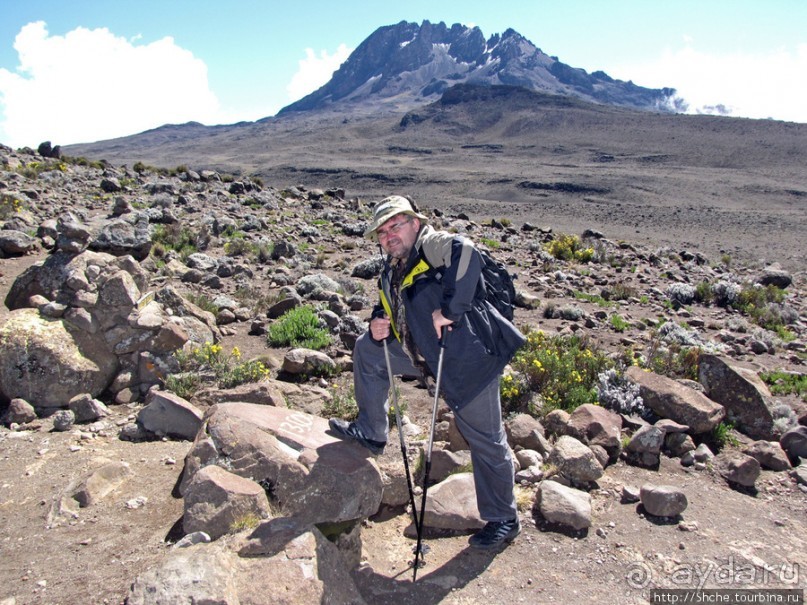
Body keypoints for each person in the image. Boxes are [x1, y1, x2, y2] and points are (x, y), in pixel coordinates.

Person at [329, 195, 526, 550]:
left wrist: (450, 310)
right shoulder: (393, 265)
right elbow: (392, 302)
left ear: (415, 223)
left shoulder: (431, 245)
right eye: (383, 231)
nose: (390, 235)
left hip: (467, 361)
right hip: (421, 355)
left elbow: (467, 252)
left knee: (484, 438)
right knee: (368, 349)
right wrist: (379, 321)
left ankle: (503, 519)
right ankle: (372, 431)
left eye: (396, 225)